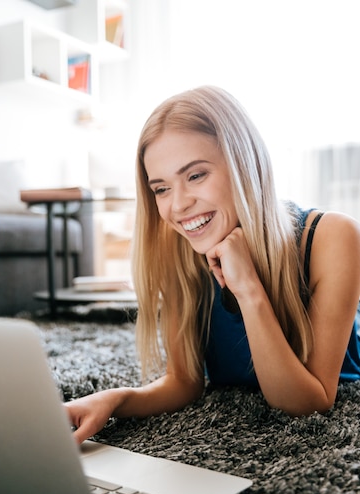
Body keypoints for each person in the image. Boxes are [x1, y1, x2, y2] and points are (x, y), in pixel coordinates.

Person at [66, 85, 360, 443]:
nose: (178, 206)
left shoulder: (333, 236)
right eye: (161, 189)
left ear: (244, 164)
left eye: (195, 176)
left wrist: (248, 289)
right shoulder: (177, 249)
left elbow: (307, 403)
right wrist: (115, 400)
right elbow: (183, 382)